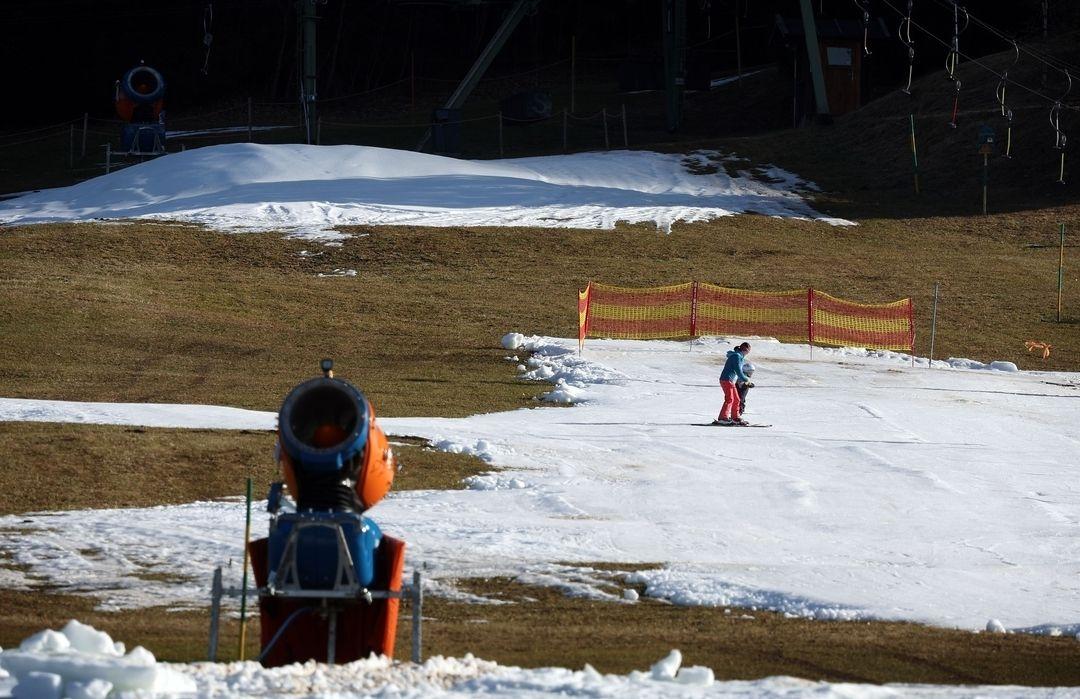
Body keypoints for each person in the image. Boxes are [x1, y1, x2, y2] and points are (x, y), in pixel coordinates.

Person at [714, 342, 754, 425]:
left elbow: (738, 372)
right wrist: (747, 380)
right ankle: (722, 418)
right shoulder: (736, 357)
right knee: (730, 399)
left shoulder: (738, 356)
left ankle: (735, 417)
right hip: (726, 379)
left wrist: (744, 380)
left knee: (737, 399)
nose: (748, 353)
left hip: (730, 380)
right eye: (748, 351)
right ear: (746, 350)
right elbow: (738, 371)